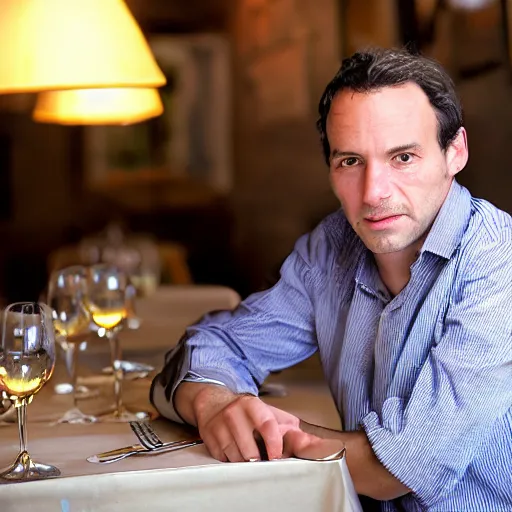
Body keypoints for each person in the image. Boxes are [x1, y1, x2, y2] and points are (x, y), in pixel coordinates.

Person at [150, 48, 512, 511]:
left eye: (402, 157)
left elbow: (398, 469)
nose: (374, 192)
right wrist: (215, 406)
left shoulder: (496, 260)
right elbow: (217, 344)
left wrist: (268, 428)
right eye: (350, 162)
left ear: (455, 151)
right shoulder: (332, 247)